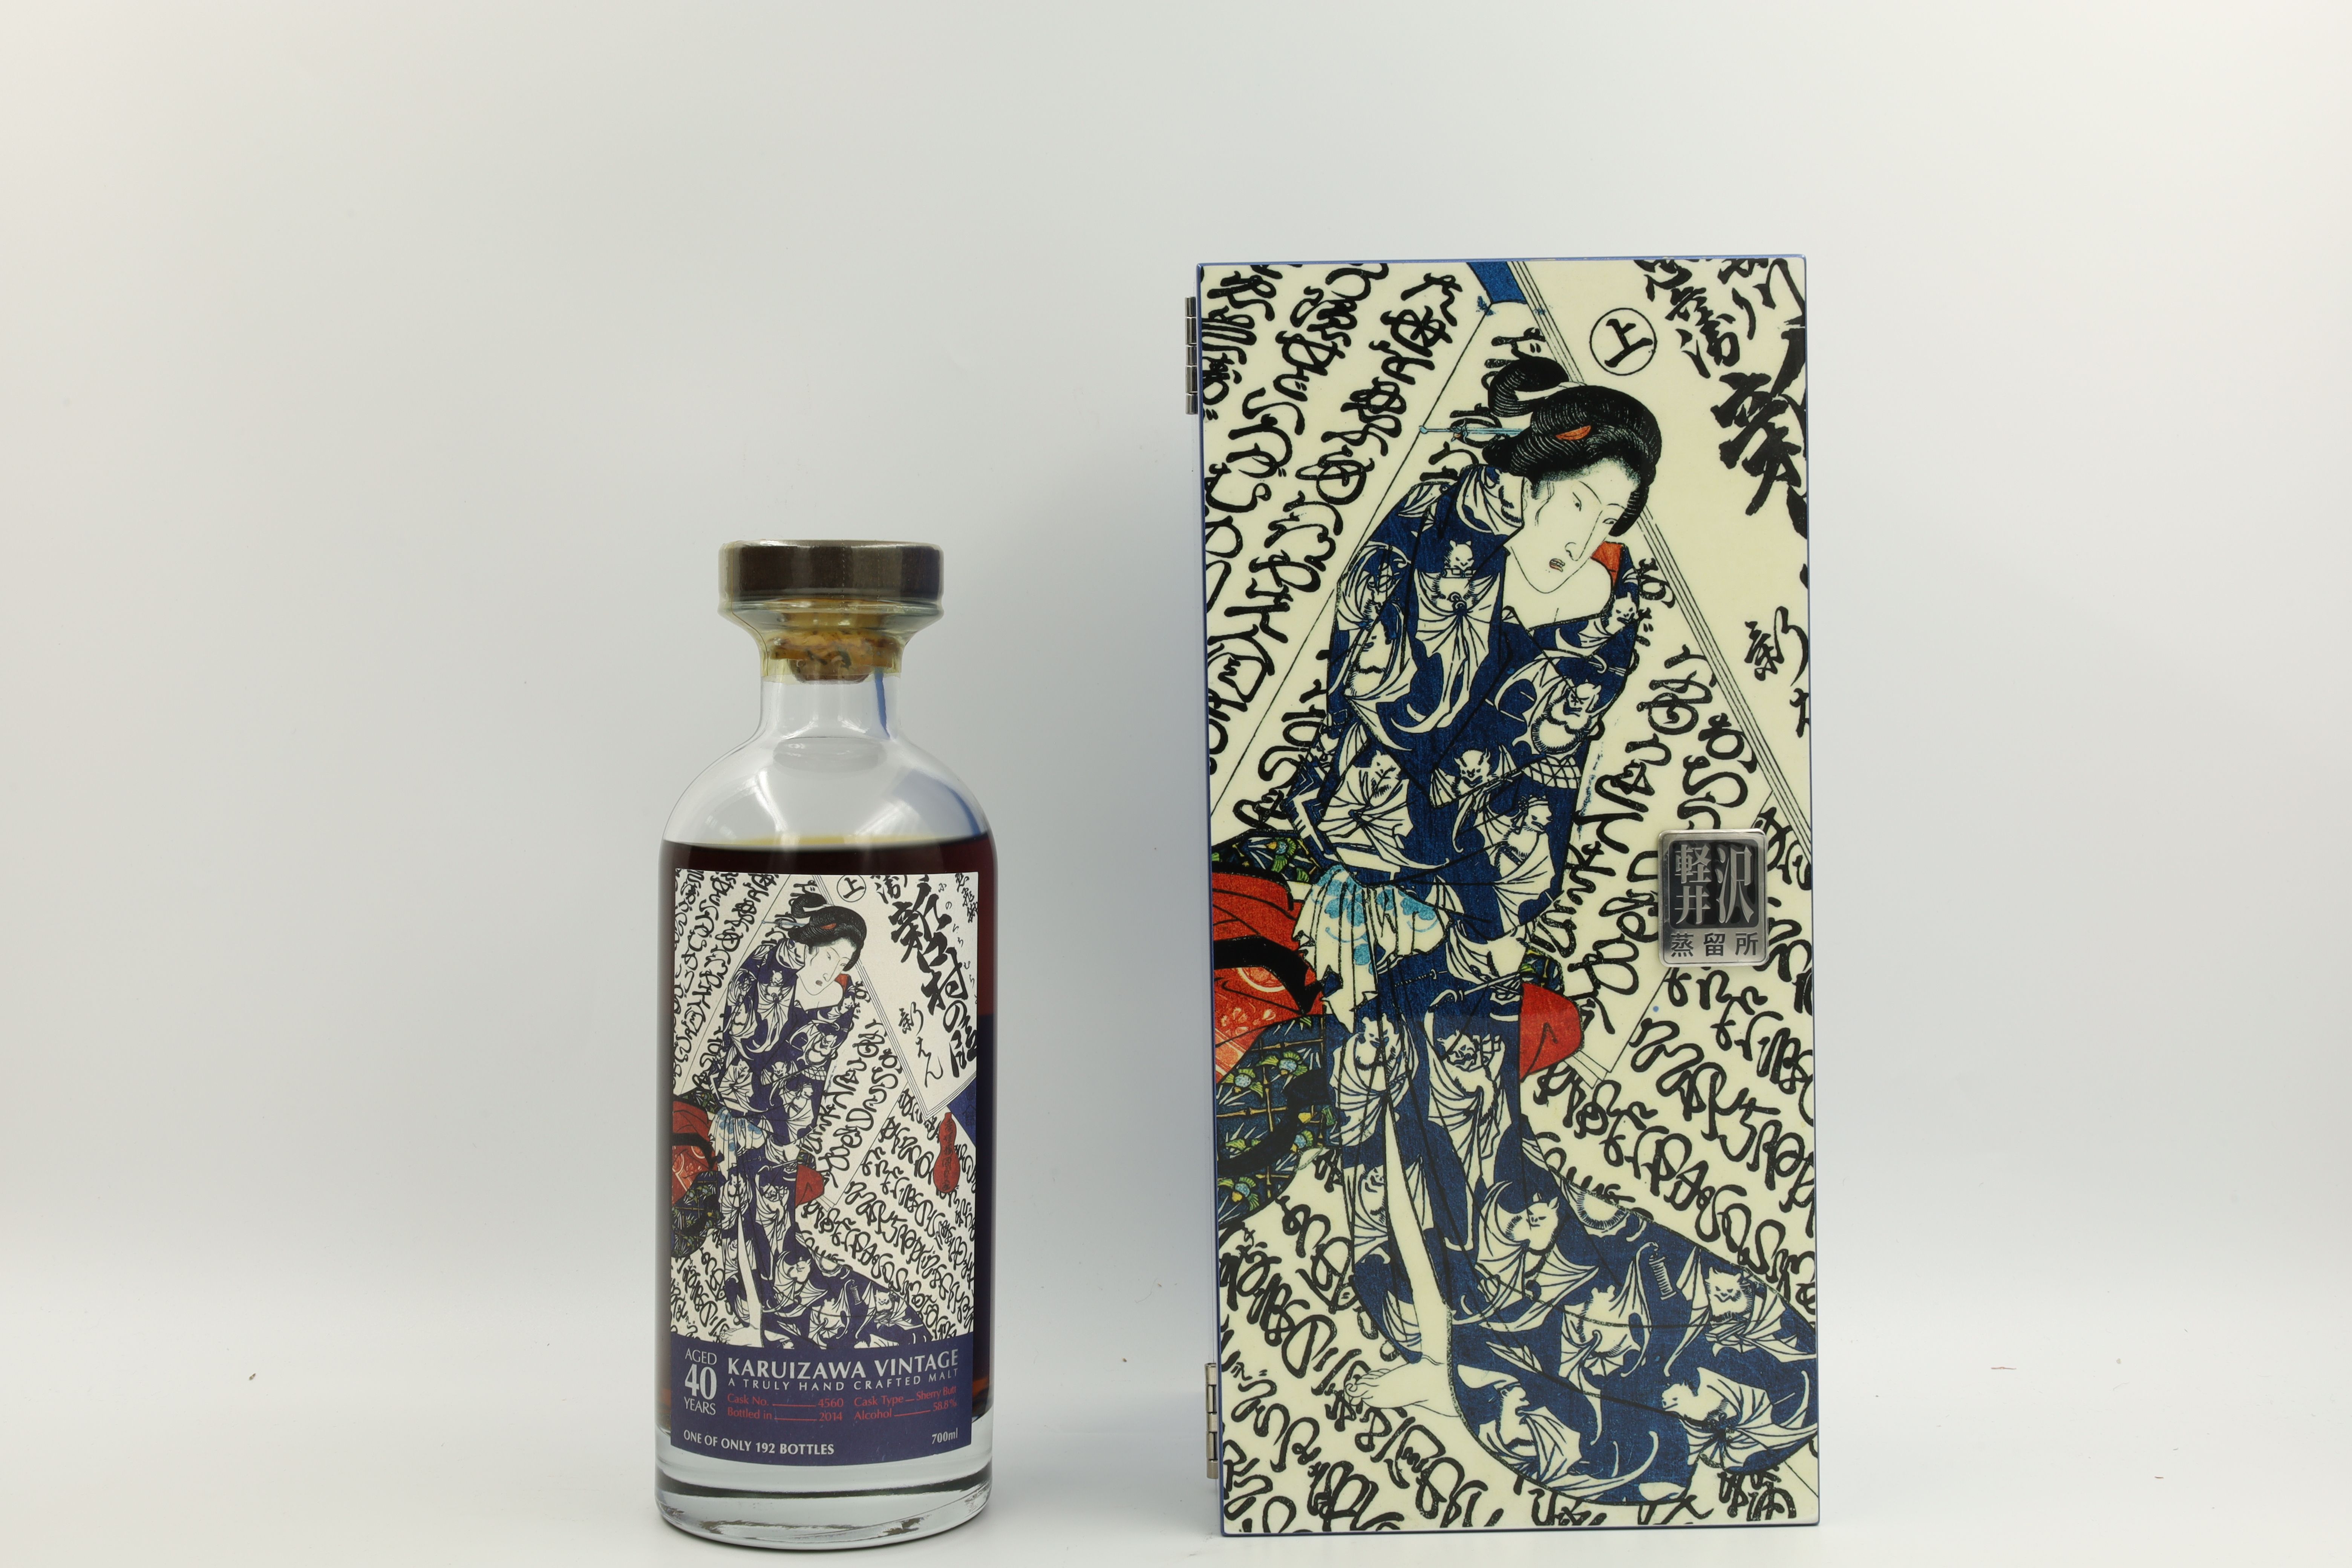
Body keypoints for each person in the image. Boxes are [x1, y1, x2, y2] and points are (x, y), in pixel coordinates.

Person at [1292, 361, 1815, 1501]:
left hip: (1471, 909)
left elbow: (1537, 789)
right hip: (1360, 893)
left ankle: (1530, 1360)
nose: (1584, 530)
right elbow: (1374, 706)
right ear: (1527, 482)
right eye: (1575, 497)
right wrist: (1364, 868)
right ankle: (1430, 1346)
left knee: (1476, 1151)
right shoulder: (1431, 553)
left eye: (1612, 512)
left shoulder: (1601, 622)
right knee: (1367, 1124)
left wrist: (1467, 906)